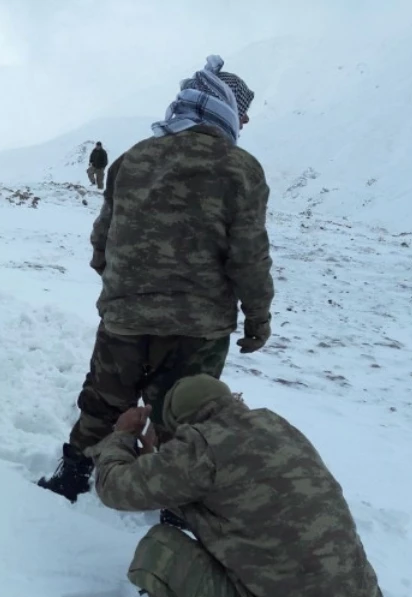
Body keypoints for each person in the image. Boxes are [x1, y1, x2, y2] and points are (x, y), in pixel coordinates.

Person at [38, 55, 273, 504]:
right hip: (198, 326)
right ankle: (172, 506)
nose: (244, 121)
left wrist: (123, 287)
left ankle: (71, 479)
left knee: (104, 399)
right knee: (185, 414)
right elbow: (249, 255)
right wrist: (257, 316)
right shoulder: (241, 169)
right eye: (242, 112)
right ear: (224, 107)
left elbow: (101, 239)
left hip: (125, 315)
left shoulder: (133, 159)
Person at [87, 374, 384, 597]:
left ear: (184, 425)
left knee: (158, 551)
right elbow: (211, 494)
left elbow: (115, 488)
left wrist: (122, 436)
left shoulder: (202, 448)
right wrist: (156, 459)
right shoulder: (275, 426)